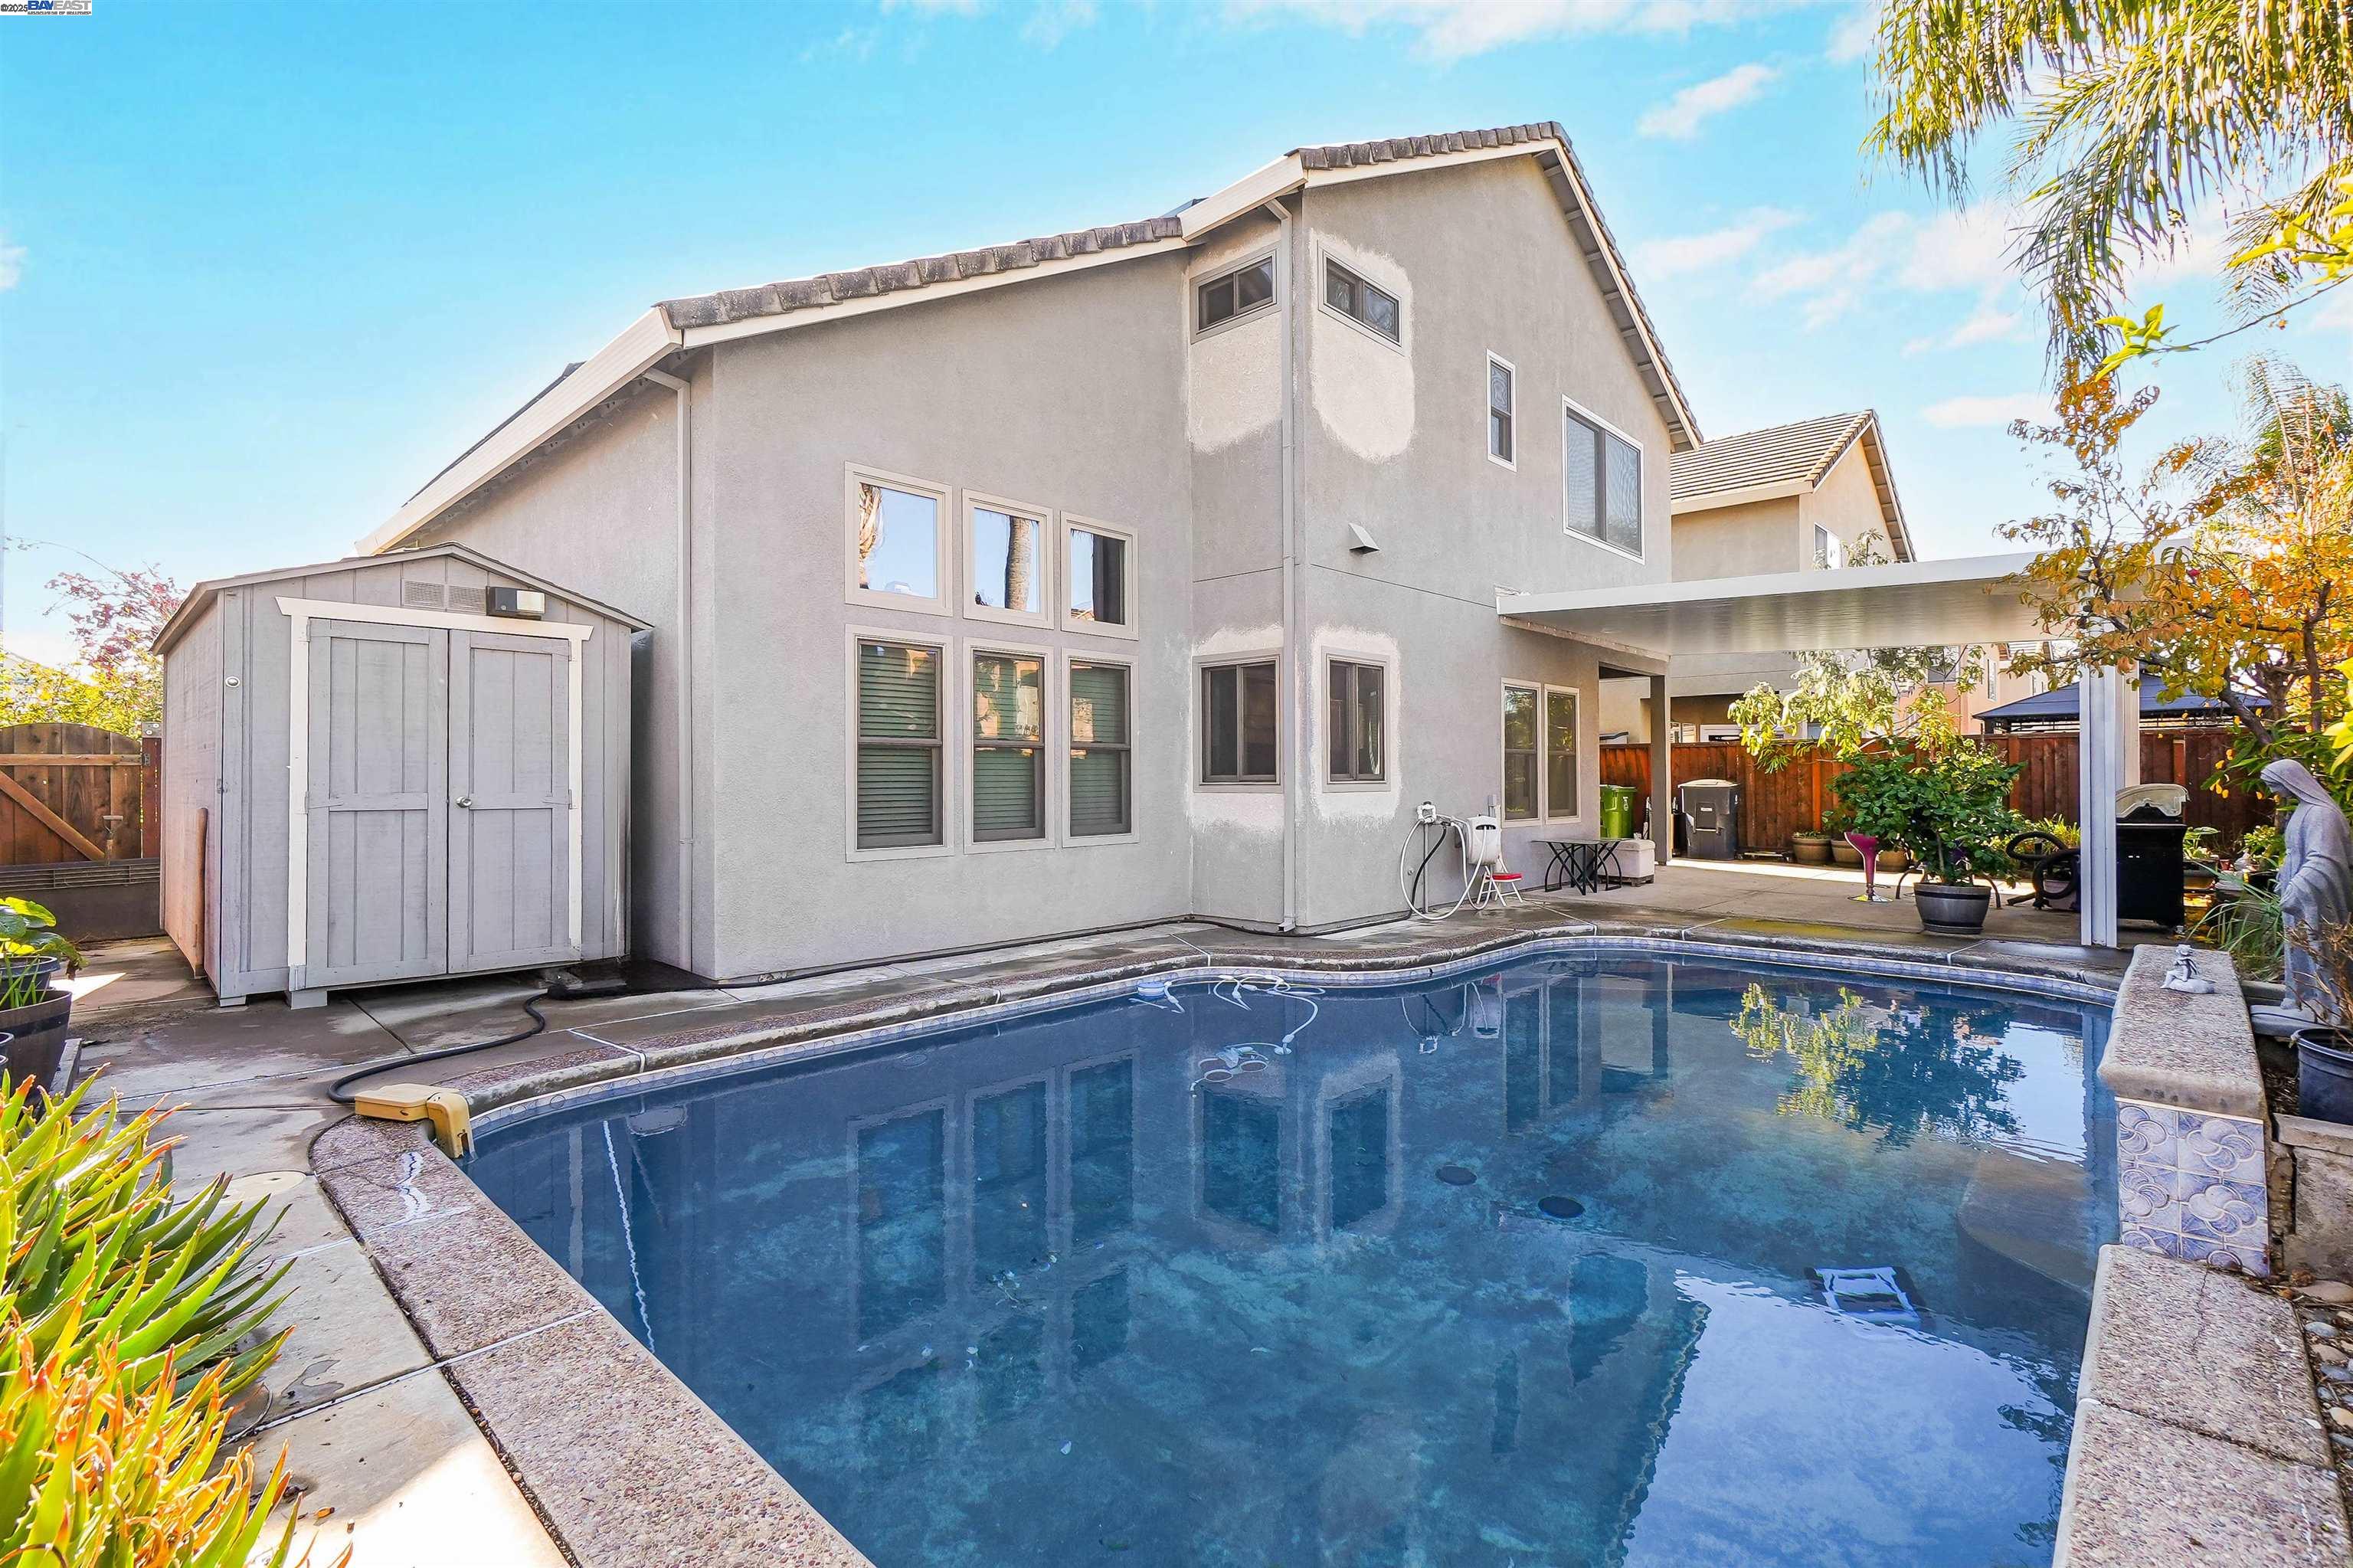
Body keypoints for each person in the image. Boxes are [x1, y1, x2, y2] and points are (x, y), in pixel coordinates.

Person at [2260, 759, 2353, 1016]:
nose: (2273, 792)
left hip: (2315, 893)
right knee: (2301, 945)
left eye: (2274, 785)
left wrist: (2299, 886)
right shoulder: (2305, 809)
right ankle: (2303, 999)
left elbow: (2325, 859)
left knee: (2320, 945)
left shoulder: (2323, 815)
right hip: (2299, 889)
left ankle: (2328, 1007)